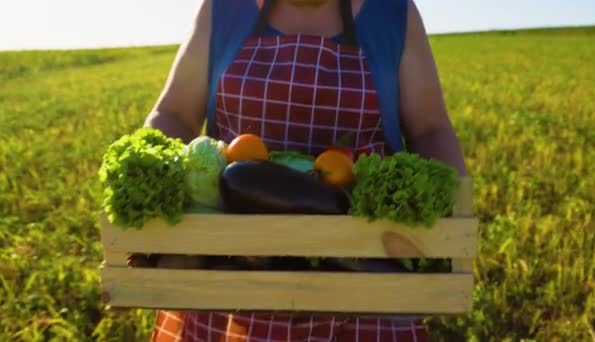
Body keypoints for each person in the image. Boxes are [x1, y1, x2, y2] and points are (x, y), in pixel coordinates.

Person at [144, 0, 468, 340]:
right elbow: (176, 114)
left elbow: (429, 129)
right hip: (226, 289)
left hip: (369, 287)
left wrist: (453, 219)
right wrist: (147, 173)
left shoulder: (391, 12)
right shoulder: (224, 8)